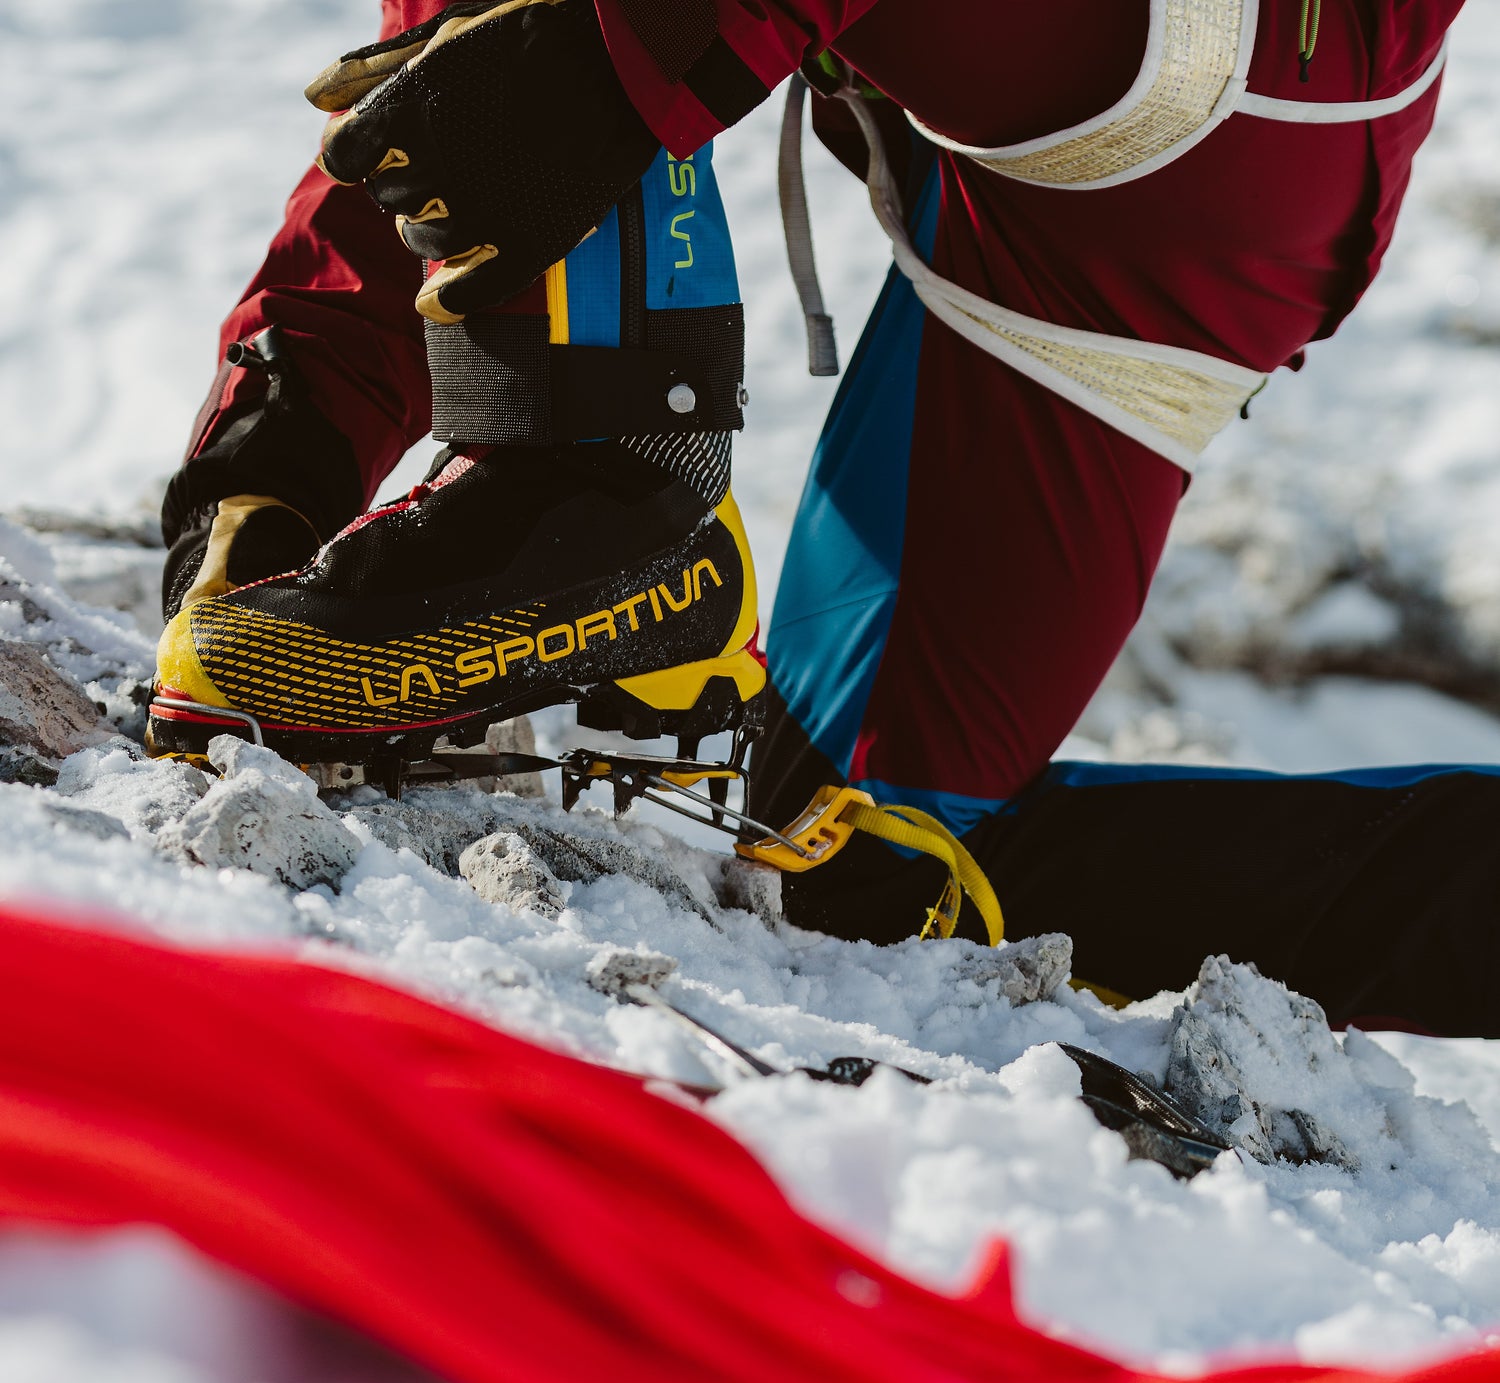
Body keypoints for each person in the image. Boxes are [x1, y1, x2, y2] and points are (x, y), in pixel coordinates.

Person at [153, 0, 1495, 1032]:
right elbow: (437, 99)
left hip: (1188, 61)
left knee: (576, 60)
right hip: (1225, 188)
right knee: (856, 865)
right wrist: (278, 457)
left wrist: (620, 66)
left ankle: (597, 478)